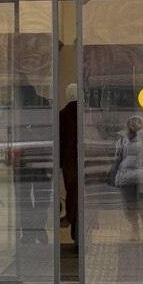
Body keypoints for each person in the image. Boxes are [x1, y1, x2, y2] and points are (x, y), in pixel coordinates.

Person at [109, 114, 143, 238]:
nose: (134, 124)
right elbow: (117, 157)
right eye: (132, 122)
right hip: (127, 178)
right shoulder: (123, 139)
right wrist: (114, 173)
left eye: (137, 122)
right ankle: (135, 229)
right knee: (129, 207)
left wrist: (141, 131)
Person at [58, 83, 79, 242]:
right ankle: (77, 229)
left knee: (71, 191)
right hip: (81, 160)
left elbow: (60, 141)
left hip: (69, 161)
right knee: (80, 194)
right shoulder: (86, 113)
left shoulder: (62, 115)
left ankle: (73, 223)